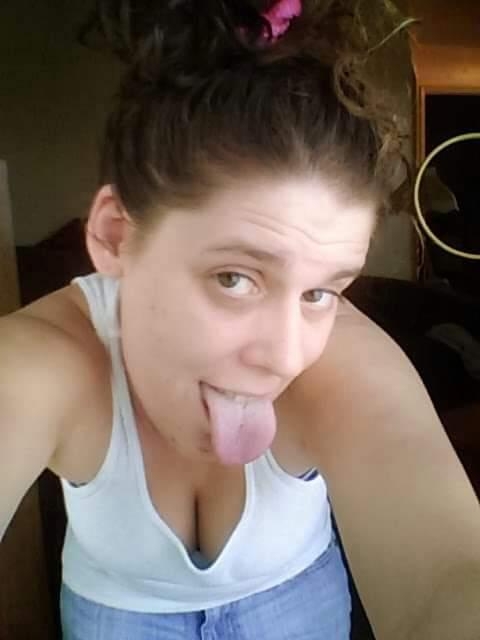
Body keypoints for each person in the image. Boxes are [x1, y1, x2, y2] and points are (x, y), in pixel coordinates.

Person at [1, 1, 479, 638]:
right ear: (116, 236)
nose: (287, 356)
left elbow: (448, 573)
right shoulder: (48, 362)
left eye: (320, 291)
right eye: (235, 278)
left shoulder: (340, 363)